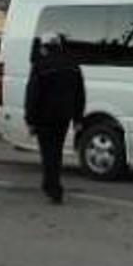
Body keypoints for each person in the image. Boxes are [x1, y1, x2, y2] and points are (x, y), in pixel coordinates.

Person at [25, 35, 86, 205]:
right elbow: (79, 94)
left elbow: (32, 95)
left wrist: (30, 120)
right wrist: (78, 118)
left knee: (47, 153)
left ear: (45, 47)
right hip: (64, 116)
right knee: (56, 152)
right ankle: (53, 186)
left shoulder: (40, 65)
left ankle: (52, 187)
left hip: (44, 117)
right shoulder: (73, 65)